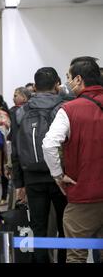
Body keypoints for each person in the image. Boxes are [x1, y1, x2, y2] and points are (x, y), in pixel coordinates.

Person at [43, 57, 103, 263]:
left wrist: (58, 175)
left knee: (76, 256)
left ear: (78, 79)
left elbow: (49, 144)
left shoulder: (69, 110)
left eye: (68, 77)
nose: (67, 82)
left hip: (84, 196)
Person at [12, 67, 67, 263]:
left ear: (34, 87)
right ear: (57, 85)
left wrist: (19, 183)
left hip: (32, 176)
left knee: (38, 227)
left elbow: (16, 150)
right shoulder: (65, 107)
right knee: (64, 227)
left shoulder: (21, 111)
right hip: (60, 177)